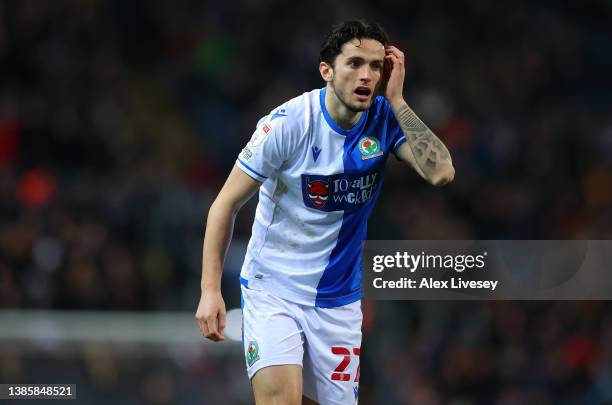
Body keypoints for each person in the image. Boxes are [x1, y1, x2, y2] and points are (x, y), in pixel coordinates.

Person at [196, 19, 454, 405]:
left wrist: (398, 101)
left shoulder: (384, 119)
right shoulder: (287, 125)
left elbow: (442, 173)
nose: (366, 75)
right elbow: (225, 204)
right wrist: (210, 289)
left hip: (339, 303)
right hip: (274, 290)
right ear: (327, 71)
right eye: (354, 64)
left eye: (375, 65)